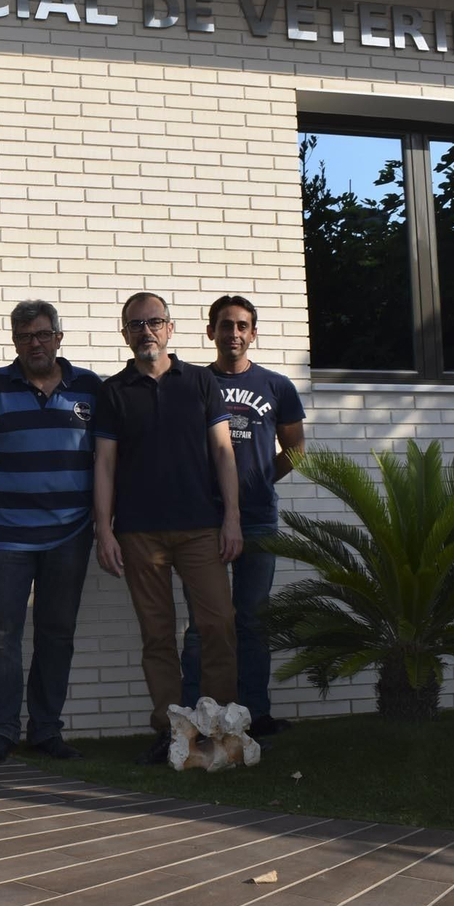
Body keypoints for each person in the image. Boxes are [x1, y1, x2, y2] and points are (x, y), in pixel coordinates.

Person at [91, 291, 243, 767]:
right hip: (139, 533)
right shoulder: (113, 392)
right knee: (157, 636)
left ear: (170, 329)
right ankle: (171, 732)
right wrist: (104, 530)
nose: (146, 331)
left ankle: (217, 729)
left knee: (218, 624)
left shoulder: (200, 382)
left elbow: (223, 452)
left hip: (201, 528)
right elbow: (104, 466)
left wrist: (232, 517)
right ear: (124, 334)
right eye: (136, 325)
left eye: (154, 321)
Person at [0, 299, 101, 766]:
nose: (33, 343)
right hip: (7, 535)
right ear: (14, 341)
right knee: (0, 636)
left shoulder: (90, 388)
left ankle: (46, 730)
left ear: (58, 336)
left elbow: (113, 454)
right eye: (23, 336)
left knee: (57, 633)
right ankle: (1, 732)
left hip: (71, 533)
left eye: (41, 334)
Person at [179, 295, 306, 738]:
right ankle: (195, 716)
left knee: (253, 620)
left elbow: (295, 449)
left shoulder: (277, 386)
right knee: (202, 625)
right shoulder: (192, 383)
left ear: (253, 333)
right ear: (210, 330)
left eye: (242, 326)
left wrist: (261, 479)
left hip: (257, 520)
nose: (233, 334)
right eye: (225, 325)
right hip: (202, 521)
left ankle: (255, 713)